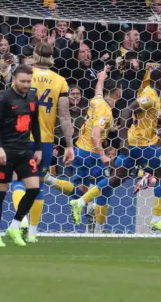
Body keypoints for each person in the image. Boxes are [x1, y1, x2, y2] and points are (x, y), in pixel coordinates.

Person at [107, 70, 161, 233]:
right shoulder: (150, 95)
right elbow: (126, 110)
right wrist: (122, 138)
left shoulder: (154, 96)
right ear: (159, 81)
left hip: (137, 143)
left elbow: (150, 117)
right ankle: (156, 219)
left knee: (115, 180)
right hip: (142, 144)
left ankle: (84, 201)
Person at [10, 43, 74, 243]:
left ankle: (21, 221)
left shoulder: (24, 75)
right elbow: (64, 115)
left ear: (35, 55)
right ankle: (33, 233)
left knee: (19, 180)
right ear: (52, 57)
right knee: (37, 185)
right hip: (46, 140)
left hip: (21, 135)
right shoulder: (60, 81)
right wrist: (69, 144)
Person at [45, 70, 121, 232]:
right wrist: (103, 156)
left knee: (81, 189)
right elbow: (95, 135)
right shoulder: (105, 111)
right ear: (118, 92)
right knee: (106, 186)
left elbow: (98, 91)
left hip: (80, 150)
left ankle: (51, 180)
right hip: (92, 154)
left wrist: (100, 78)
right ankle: (99, 227)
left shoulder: (97, 100)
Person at [0, 64, 42, 247]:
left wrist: (39, 148)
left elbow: (35, 123)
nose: (26, 85)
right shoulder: (2, 97)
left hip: (25, 150)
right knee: (0, 193)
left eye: (29, 81)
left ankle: (15, 226)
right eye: (23, 81)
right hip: (6, 150)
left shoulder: (33, 96)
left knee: (34, 189)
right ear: (14, 79)